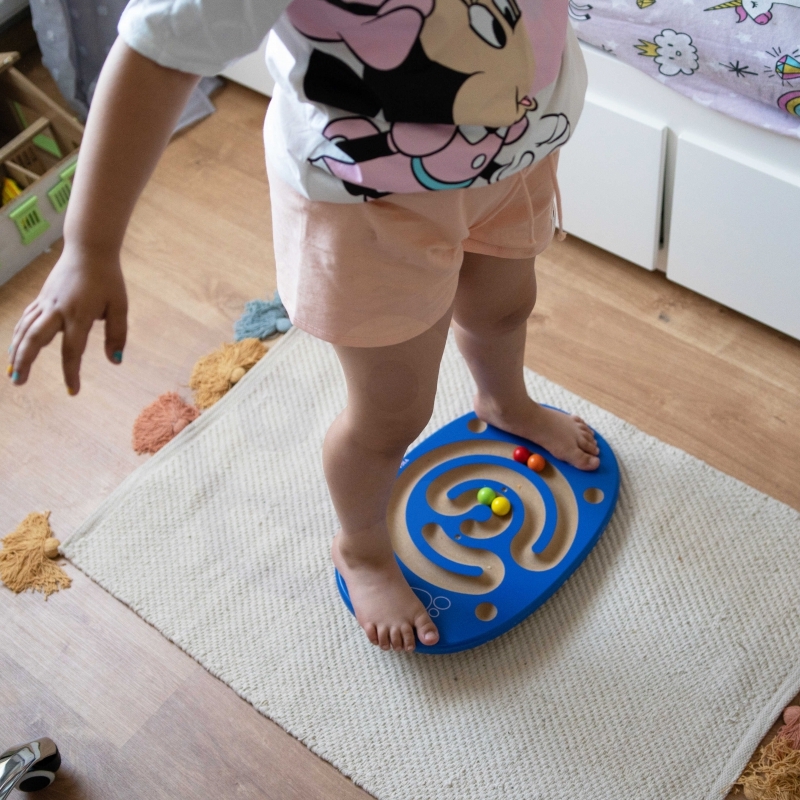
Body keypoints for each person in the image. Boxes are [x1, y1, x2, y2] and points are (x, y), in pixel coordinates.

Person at [7, 0, 599, 652]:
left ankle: (503, 401)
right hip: (367, 201)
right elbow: (158, 48)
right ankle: (363, 548)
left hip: (516, 151)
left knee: (504, 307)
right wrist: (90, 245)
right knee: (392, 413)